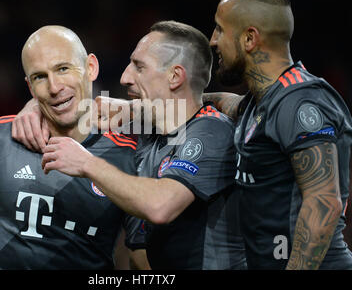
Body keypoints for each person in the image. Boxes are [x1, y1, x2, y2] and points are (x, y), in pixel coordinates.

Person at [14, 21, 247, 269]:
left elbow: (160, 207)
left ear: (175, 76)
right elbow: (69, 105)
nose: (125, 78)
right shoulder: (151, 131)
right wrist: (35, 106)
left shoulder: (211, 132)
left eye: (139, 67)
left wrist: (86, 163)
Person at [0, 26, 145, 269]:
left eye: (63, 69)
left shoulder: (129, 158)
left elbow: (142, 260)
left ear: (91, 68)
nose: (54, 87)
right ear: (30, 87)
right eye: (40, 77)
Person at [204, 0, 352, 269]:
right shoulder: (263, 101)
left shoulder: (301, 101)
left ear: (249, 38)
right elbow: (227, 103)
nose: (213, 41)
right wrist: (148, 106)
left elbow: (324, 201)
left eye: (220, 30)